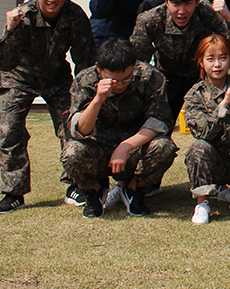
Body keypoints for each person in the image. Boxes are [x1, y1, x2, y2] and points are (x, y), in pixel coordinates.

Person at [0, 0, 96, 214]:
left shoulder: (75, 16)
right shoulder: (22, 16)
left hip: (56, 77)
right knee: (9, 131)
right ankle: (14, 193)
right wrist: (10, 30)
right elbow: (5, 62)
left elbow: (84, 59)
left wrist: (84, 94)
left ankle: (75, 185)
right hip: (18, 77)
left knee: (73, 127)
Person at [61, 39, 177, 218]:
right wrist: (98, 99)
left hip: (133, 150)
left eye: (127, 78)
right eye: (113, 80)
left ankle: (133, 190)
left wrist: (125, 147)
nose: (121, 84)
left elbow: (159, 121)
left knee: (164, 146)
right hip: (97, 151)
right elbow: (80, 130)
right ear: (99, 69)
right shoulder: (85, 79)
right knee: (71, 152)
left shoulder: (150, 76)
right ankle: (94, 191)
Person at [131, 0, 230, 124]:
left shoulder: (209, 13)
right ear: (166, 0)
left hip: (203, 79)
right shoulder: (150, 19)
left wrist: (229, 19)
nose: (182, 11)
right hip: (166, 80)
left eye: (188, 4)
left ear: (197, 1)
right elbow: (138, 62)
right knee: (157, 125)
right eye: (176, 4)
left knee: (218, 122)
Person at [183, 34, 230, 225]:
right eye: (210, 59)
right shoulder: (195, 95)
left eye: (222, 58)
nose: (217, 65)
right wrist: (225, 104)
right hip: (215, 160)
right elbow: (204, 133)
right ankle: (202, 203)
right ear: (201, 63)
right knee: (198, 148)